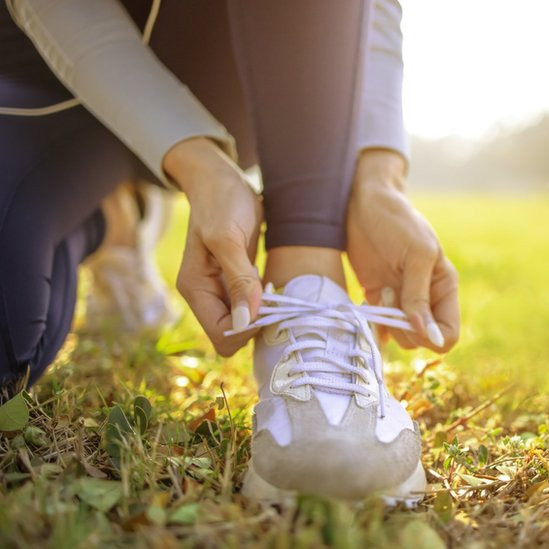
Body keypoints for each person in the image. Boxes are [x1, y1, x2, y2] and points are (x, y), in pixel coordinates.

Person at [0, 0, 460, 505]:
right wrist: (198, 164)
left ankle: (308, 278)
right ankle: (114, 221)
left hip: (240, 65)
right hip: (33, 81)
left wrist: (379, 178)